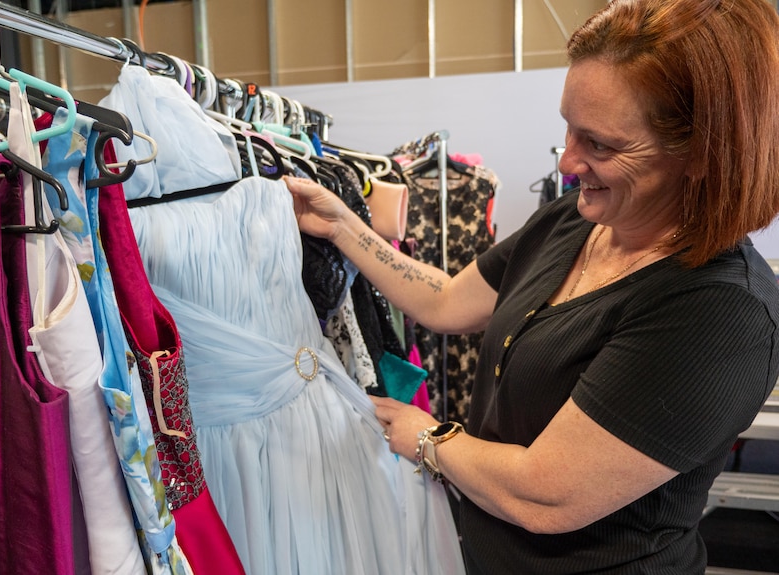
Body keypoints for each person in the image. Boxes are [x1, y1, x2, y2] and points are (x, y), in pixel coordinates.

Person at [284, 0, 779, 572]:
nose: (568, 161)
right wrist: (344, 227)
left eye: (601, 144)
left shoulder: (719, 313)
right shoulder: (575, 219)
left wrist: (428, 437)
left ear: (701, 154)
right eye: (569, 127)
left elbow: (547, 494)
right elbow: (445, 301)